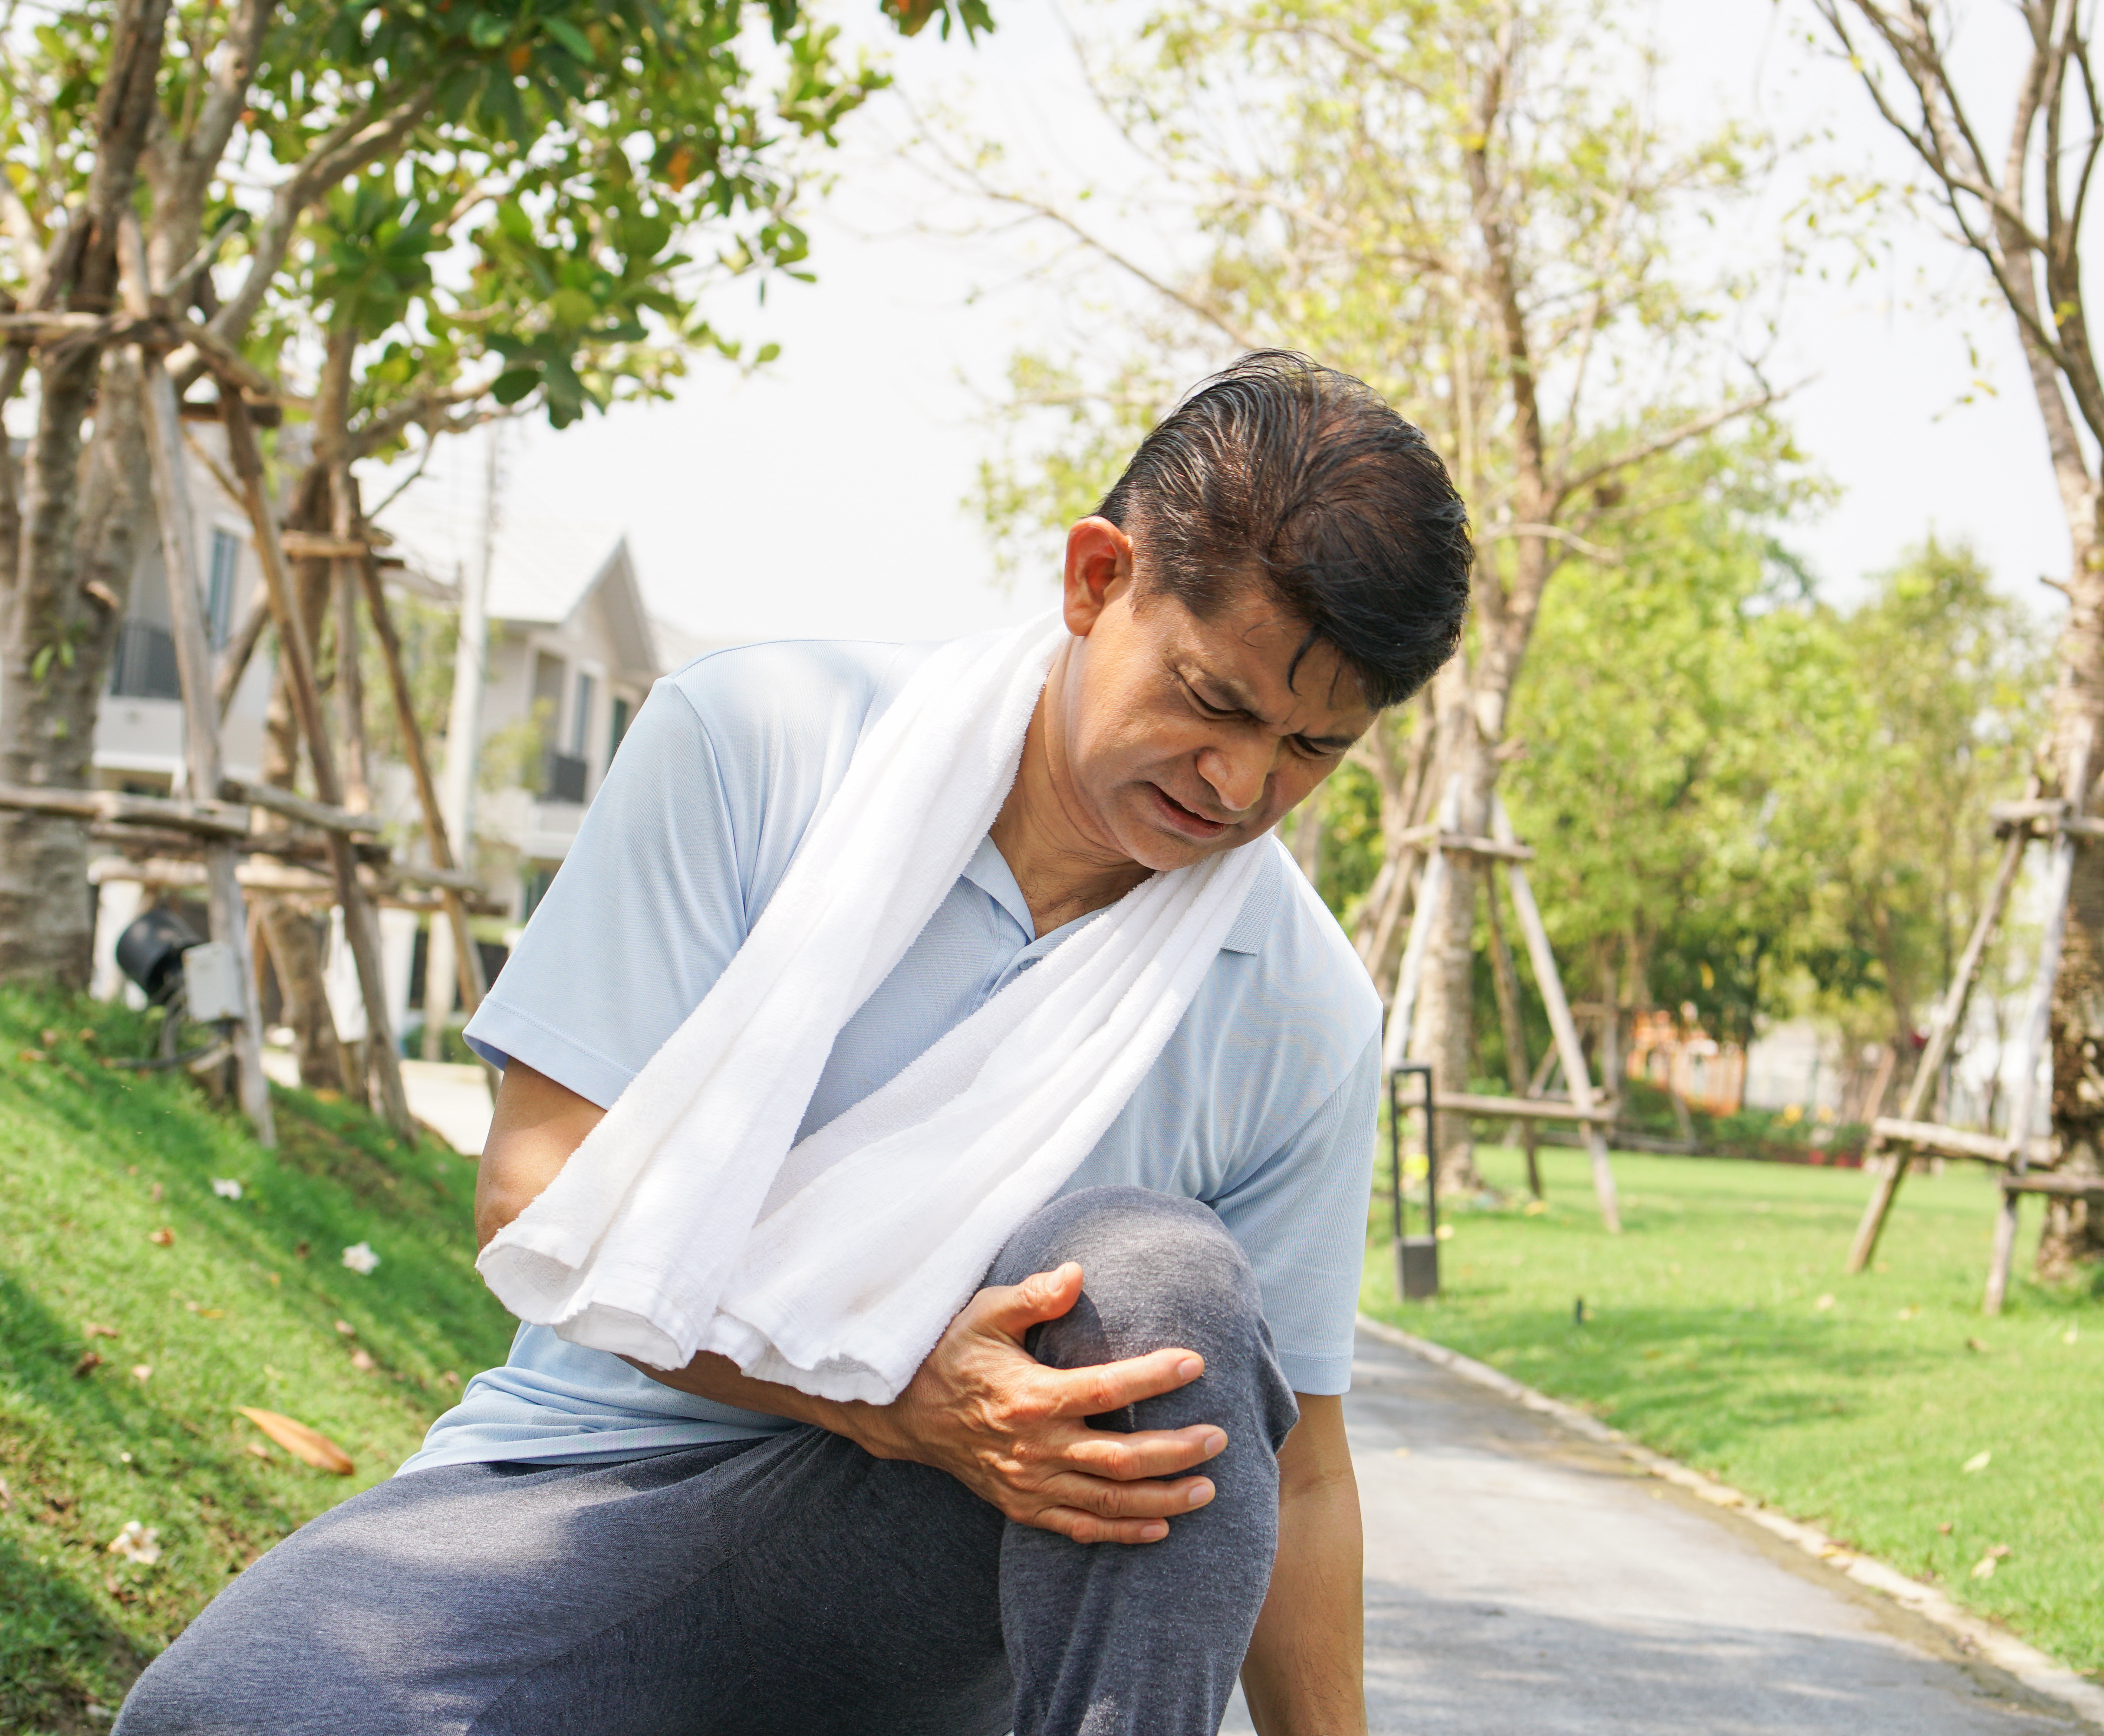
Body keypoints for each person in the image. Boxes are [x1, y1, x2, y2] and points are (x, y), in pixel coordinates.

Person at [114, 352, 1468, 1736]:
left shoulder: (1297, 1005)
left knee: (1157, 1287)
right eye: (1216, 700)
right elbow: (539, 1187)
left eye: (1311, 751)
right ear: (1095, 579)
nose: (1241, 786)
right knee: (224, 1714)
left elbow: (1301, 1479)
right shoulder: (760, 745)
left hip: (934, 1568)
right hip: (596, 1485)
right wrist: (896, 1392)